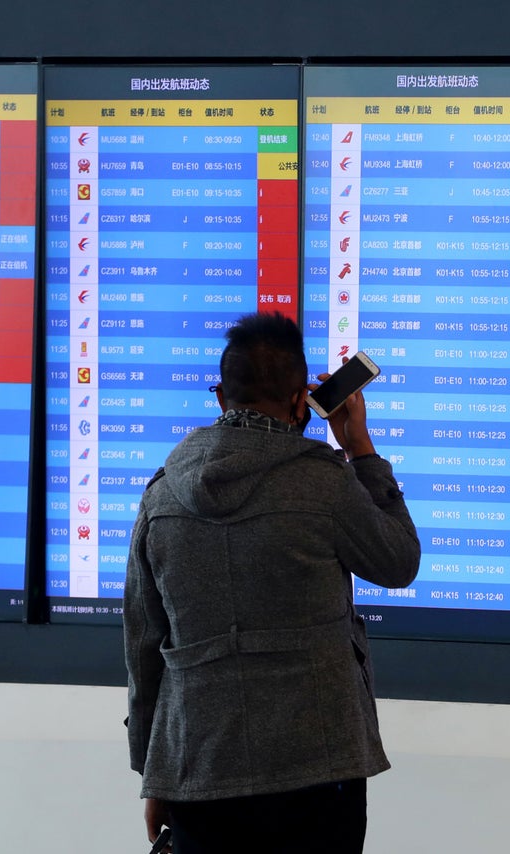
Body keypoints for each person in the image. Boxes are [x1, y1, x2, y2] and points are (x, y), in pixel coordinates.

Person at [124, 312, 421, 853]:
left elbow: (145, 646)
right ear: (297, 403)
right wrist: (360, 448)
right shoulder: (324, 482)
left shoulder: (160, 497)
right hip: (319, 769)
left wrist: (154, 772)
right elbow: (398, 562)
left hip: (200, 765)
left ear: (221, 399)